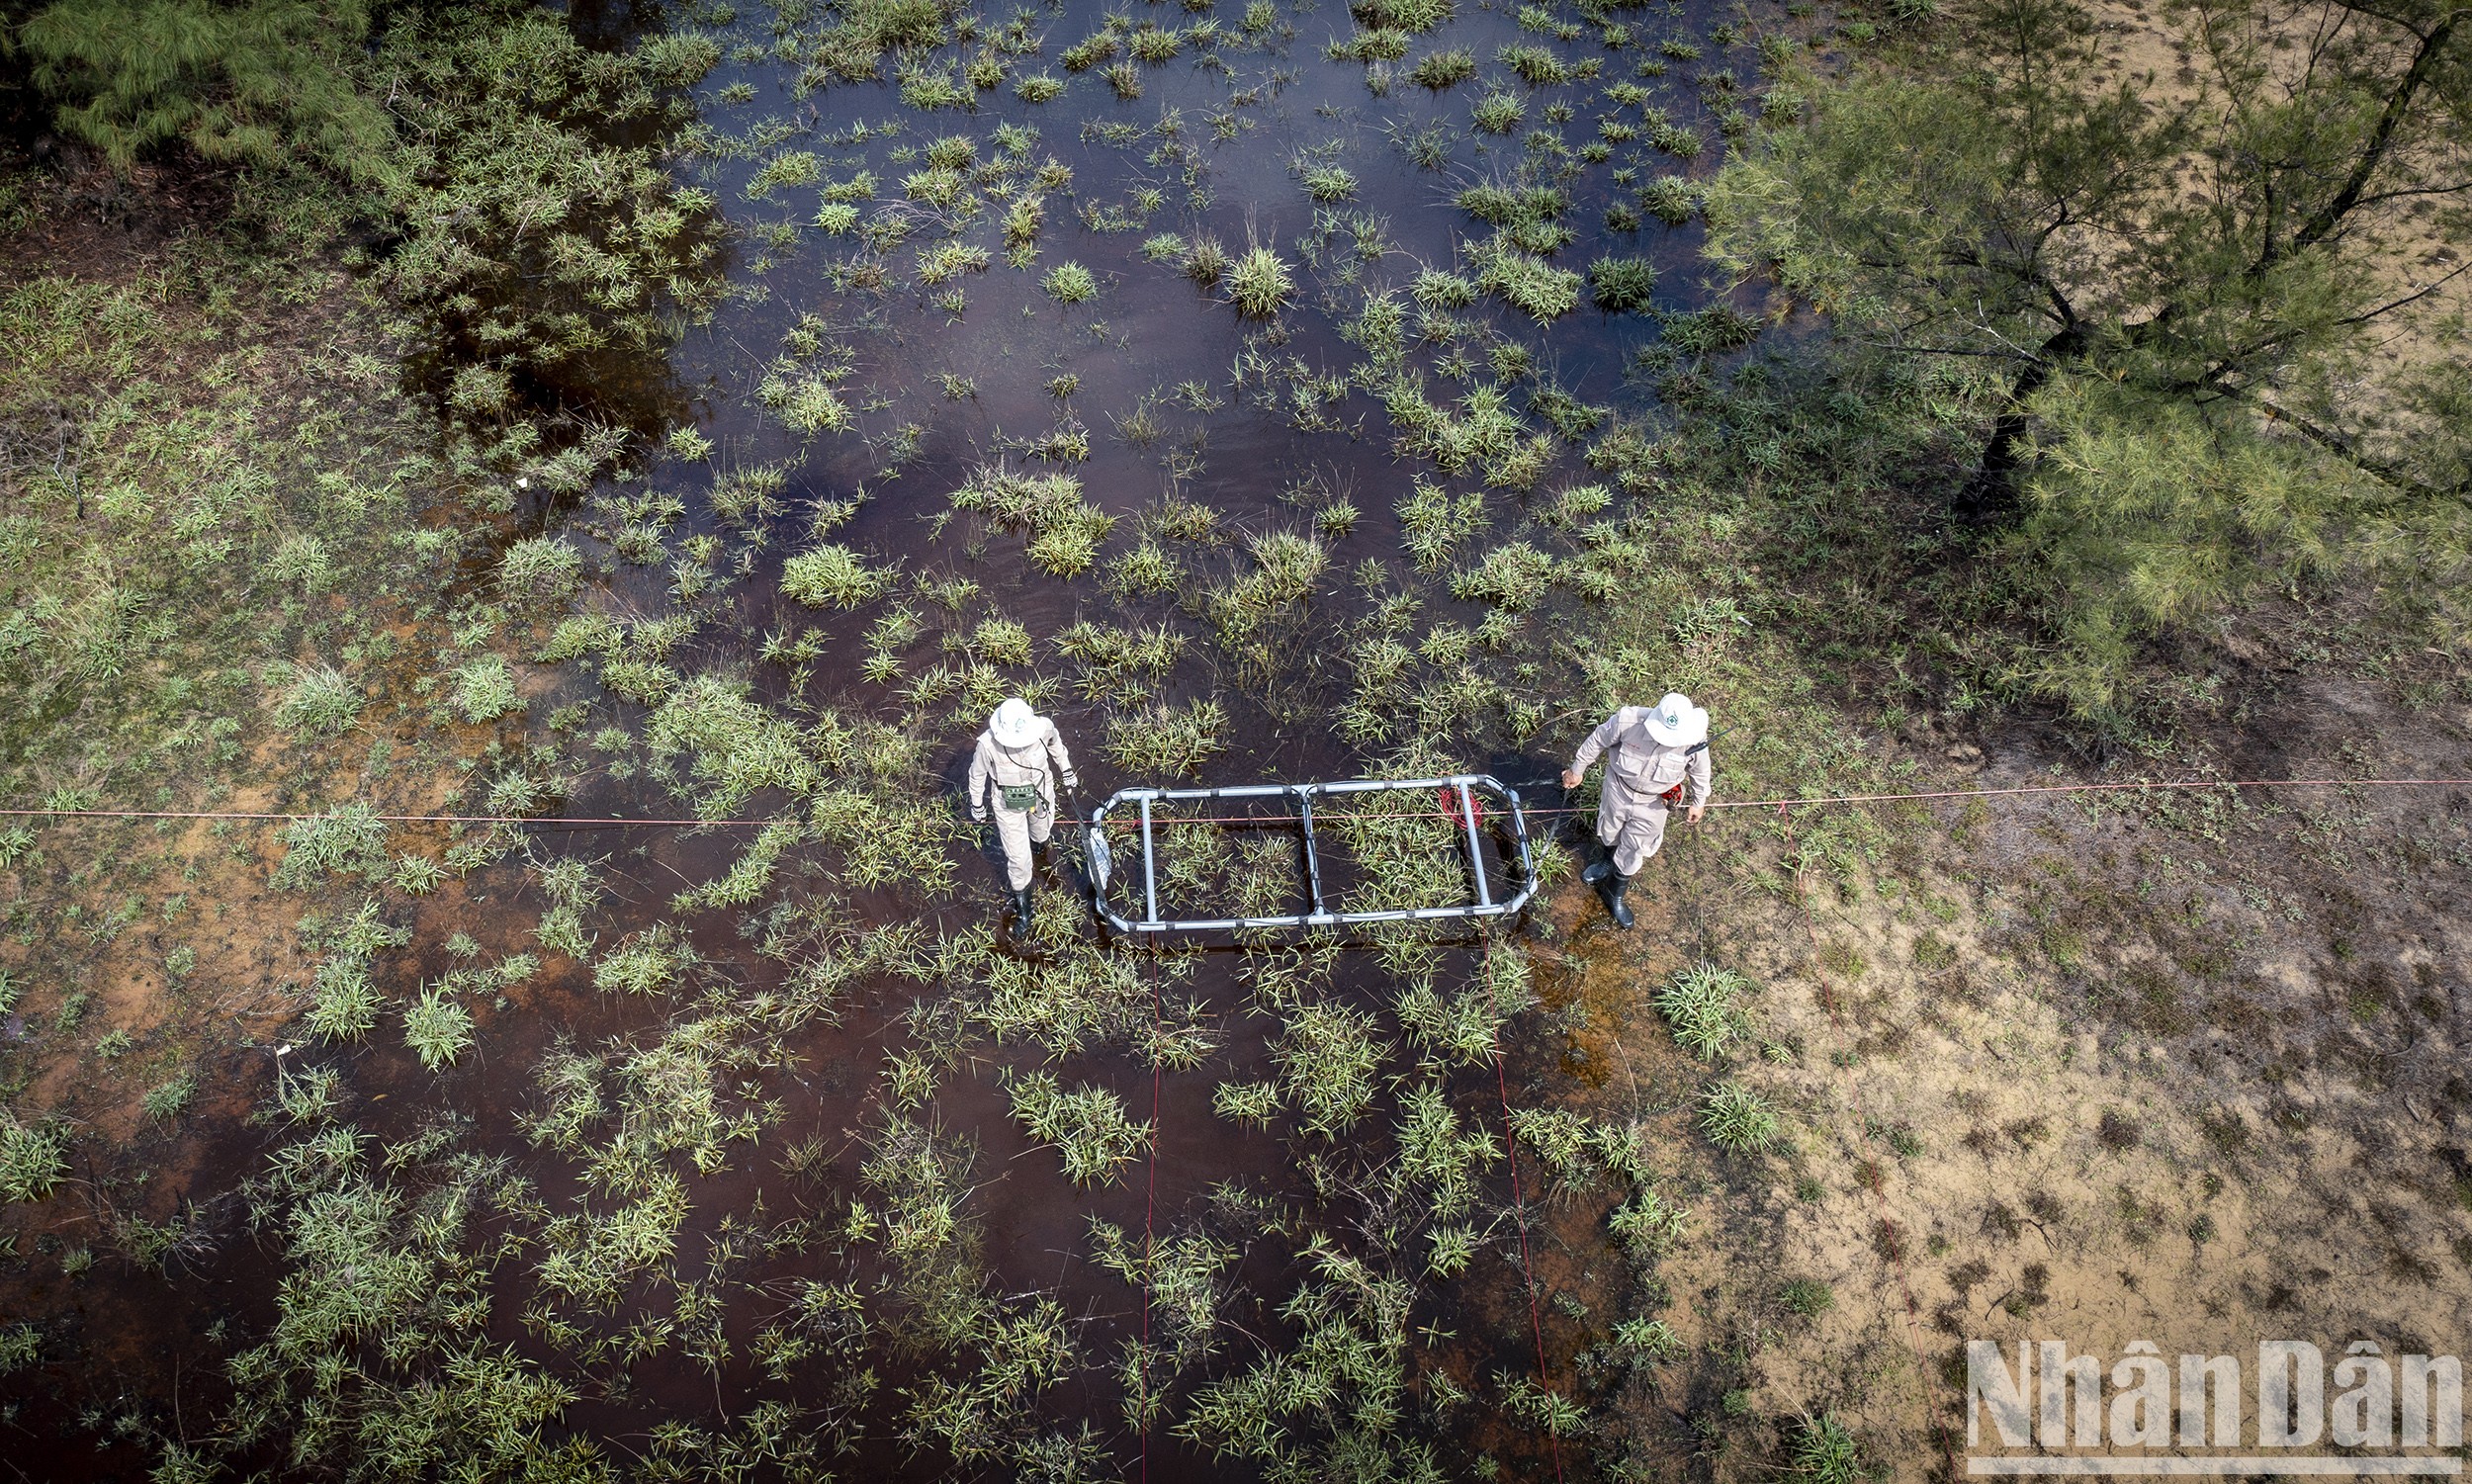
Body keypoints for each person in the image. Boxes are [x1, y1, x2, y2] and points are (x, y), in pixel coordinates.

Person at [1559, 691, 1711, 929]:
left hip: (1654, 803)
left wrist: (1699, 801)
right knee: (1609, 831)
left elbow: (1701, 773)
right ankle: (1606, 863)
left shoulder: (1695, 740)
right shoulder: (1627, 720)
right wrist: (1576, 769)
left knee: (1635, 847)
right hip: (1618, 789)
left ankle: (1614, 895)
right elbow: (1598, 739)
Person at [968, 697, 1078, 922]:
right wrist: (977, 804)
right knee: (1019, 861)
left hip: (1040, 791)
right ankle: (1025, 911)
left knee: (1041, 832)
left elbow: (1056, 744)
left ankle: (1039, 854)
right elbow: (976, 775)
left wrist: (1066, 769)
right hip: (1007, 802)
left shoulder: (1044, 727)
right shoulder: (987, 745)